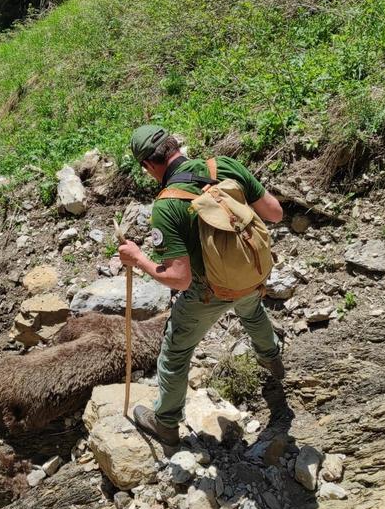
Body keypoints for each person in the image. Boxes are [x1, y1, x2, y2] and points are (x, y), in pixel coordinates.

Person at [118, 124, 285, 446]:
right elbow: (275, 213)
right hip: (252, 271)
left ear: (148, 165)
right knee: (251, 310)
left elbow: (180, 278)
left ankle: (165, 422)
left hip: (211, 291)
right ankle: (272, 359)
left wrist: (138, 259)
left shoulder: (167, 205)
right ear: (174, 145)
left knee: (175, 351)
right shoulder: (223, 166)